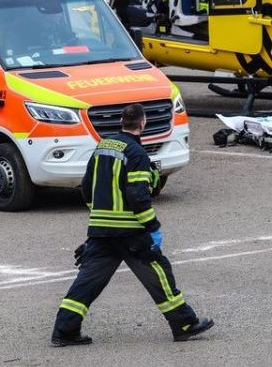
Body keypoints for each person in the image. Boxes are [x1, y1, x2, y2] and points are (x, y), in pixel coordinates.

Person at [51, 103, 214, 347]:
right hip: (130, 230)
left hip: (101, 231)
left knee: (88, 281)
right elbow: (137, 196)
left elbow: (86, 186)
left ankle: (64, 331)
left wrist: (98, 216)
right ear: (143, 123)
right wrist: (152, 226)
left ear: (121, 123)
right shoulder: (136, 153)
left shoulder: (102, 147)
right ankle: (184, 323)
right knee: (159, 272)